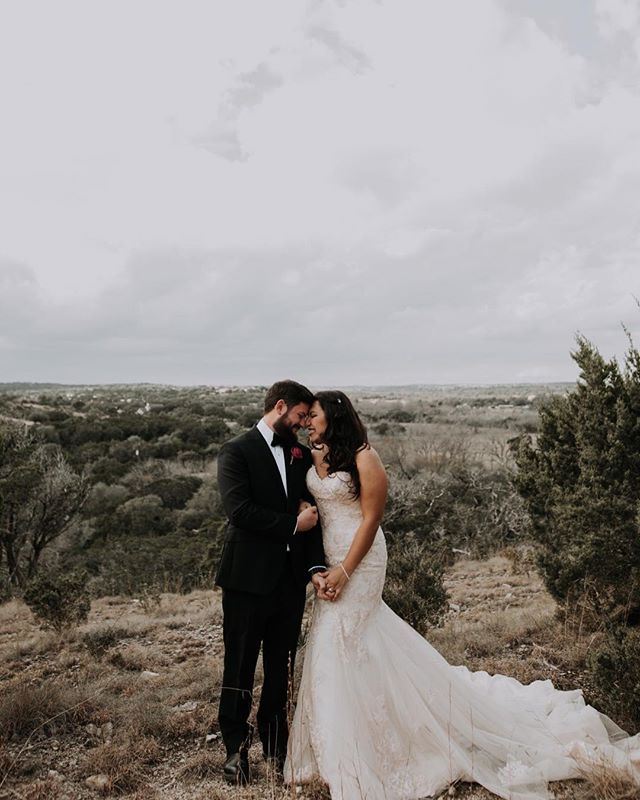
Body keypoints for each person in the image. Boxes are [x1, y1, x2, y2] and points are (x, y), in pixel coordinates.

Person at [285, 390, 640, 800]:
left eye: (312, 415)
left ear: (333, 415)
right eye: (305, 417)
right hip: (327, 559)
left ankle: (379, 748)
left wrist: (346, 570)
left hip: (361, 559)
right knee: (332, 642)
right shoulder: (312, 456)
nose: (307, 422)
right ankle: (335, 747)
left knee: (351, 636)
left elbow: (371, 519)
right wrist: (319, 569)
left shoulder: (365, 457)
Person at [216, 379, 327, 785]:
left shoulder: (300, 455)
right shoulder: (236, 451)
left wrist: (314, 567)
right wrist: (291, 524)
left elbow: (314, 514)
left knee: (280, 669)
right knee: (240, 667)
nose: (301, 425)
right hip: (246, 581)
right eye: (299, 416)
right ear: (280, 407)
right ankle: (235, 750)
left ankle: (277, 749)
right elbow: (240, 511)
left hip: (288, 583)